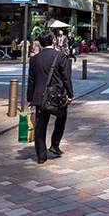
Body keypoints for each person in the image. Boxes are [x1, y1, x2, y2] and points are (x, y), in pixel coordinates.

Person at [27, 32, 74, 164]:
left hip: (40, 96)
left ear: (40, 43)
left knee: (40, 125)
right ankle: (55, 144)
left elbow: (31, 80)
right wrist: (70, 94)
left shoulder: (34, 59)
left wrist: (30, 98)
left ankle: (41, 156)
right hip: (57, 96)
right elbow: (66, 78)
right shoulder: (60, 56)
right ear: (53, 41)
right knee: (61, 117)